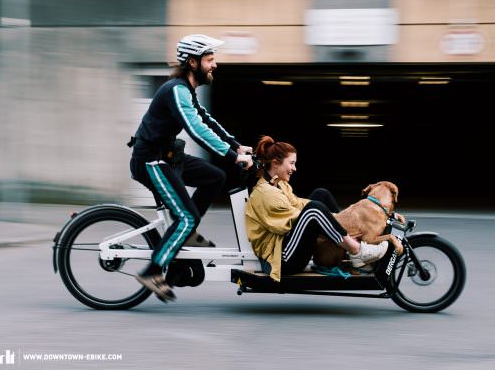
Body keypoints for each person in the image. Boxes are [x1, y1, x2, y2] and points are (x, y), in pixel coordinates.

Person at [130, 34, 253, 301]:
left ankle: (187, 235)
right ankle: (152, 271)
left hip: (169, 157)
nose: (215, 65)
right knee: (185, 218)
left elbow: (205, 119)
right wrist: (232, 157)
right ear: (193, 62)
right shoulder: (176, 89)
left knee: (214, 177)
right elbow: (195, 130)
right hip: (151, 160)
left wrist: (236, 145)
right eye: (210, 60)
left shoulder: (187, 90)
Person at [245, 136, 389, 282]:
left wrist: (333, 221)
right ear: (276, 163)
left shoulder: (279, 184)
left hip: (289, 247)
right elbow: (292, 222)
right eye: (292, 163)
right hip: (282, 260)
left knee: (320, 195)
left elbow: (298, 203)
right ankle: (356, 250)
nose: (295, 168)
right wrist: (329, 222)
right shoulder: (265, 193)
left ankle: (343, 247)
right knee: (314, 210)